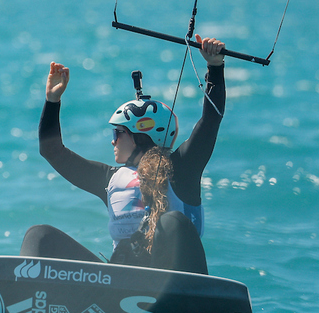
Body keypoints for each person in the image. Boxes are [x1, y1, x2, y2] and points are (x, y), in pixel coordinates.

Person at [20, 35, 226, 274]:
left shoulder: (182, 169)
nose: (112, 140)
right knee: (40, 236)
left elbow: (210, 121)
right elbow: (51, 150)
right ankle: (26, 298)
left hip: (176, 287)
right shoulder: (109, 180)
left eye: (118, 133)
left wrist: (215, 67)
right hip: (119, 284)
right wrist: (52, 100)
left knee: (172, 223)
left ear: (140, 136)